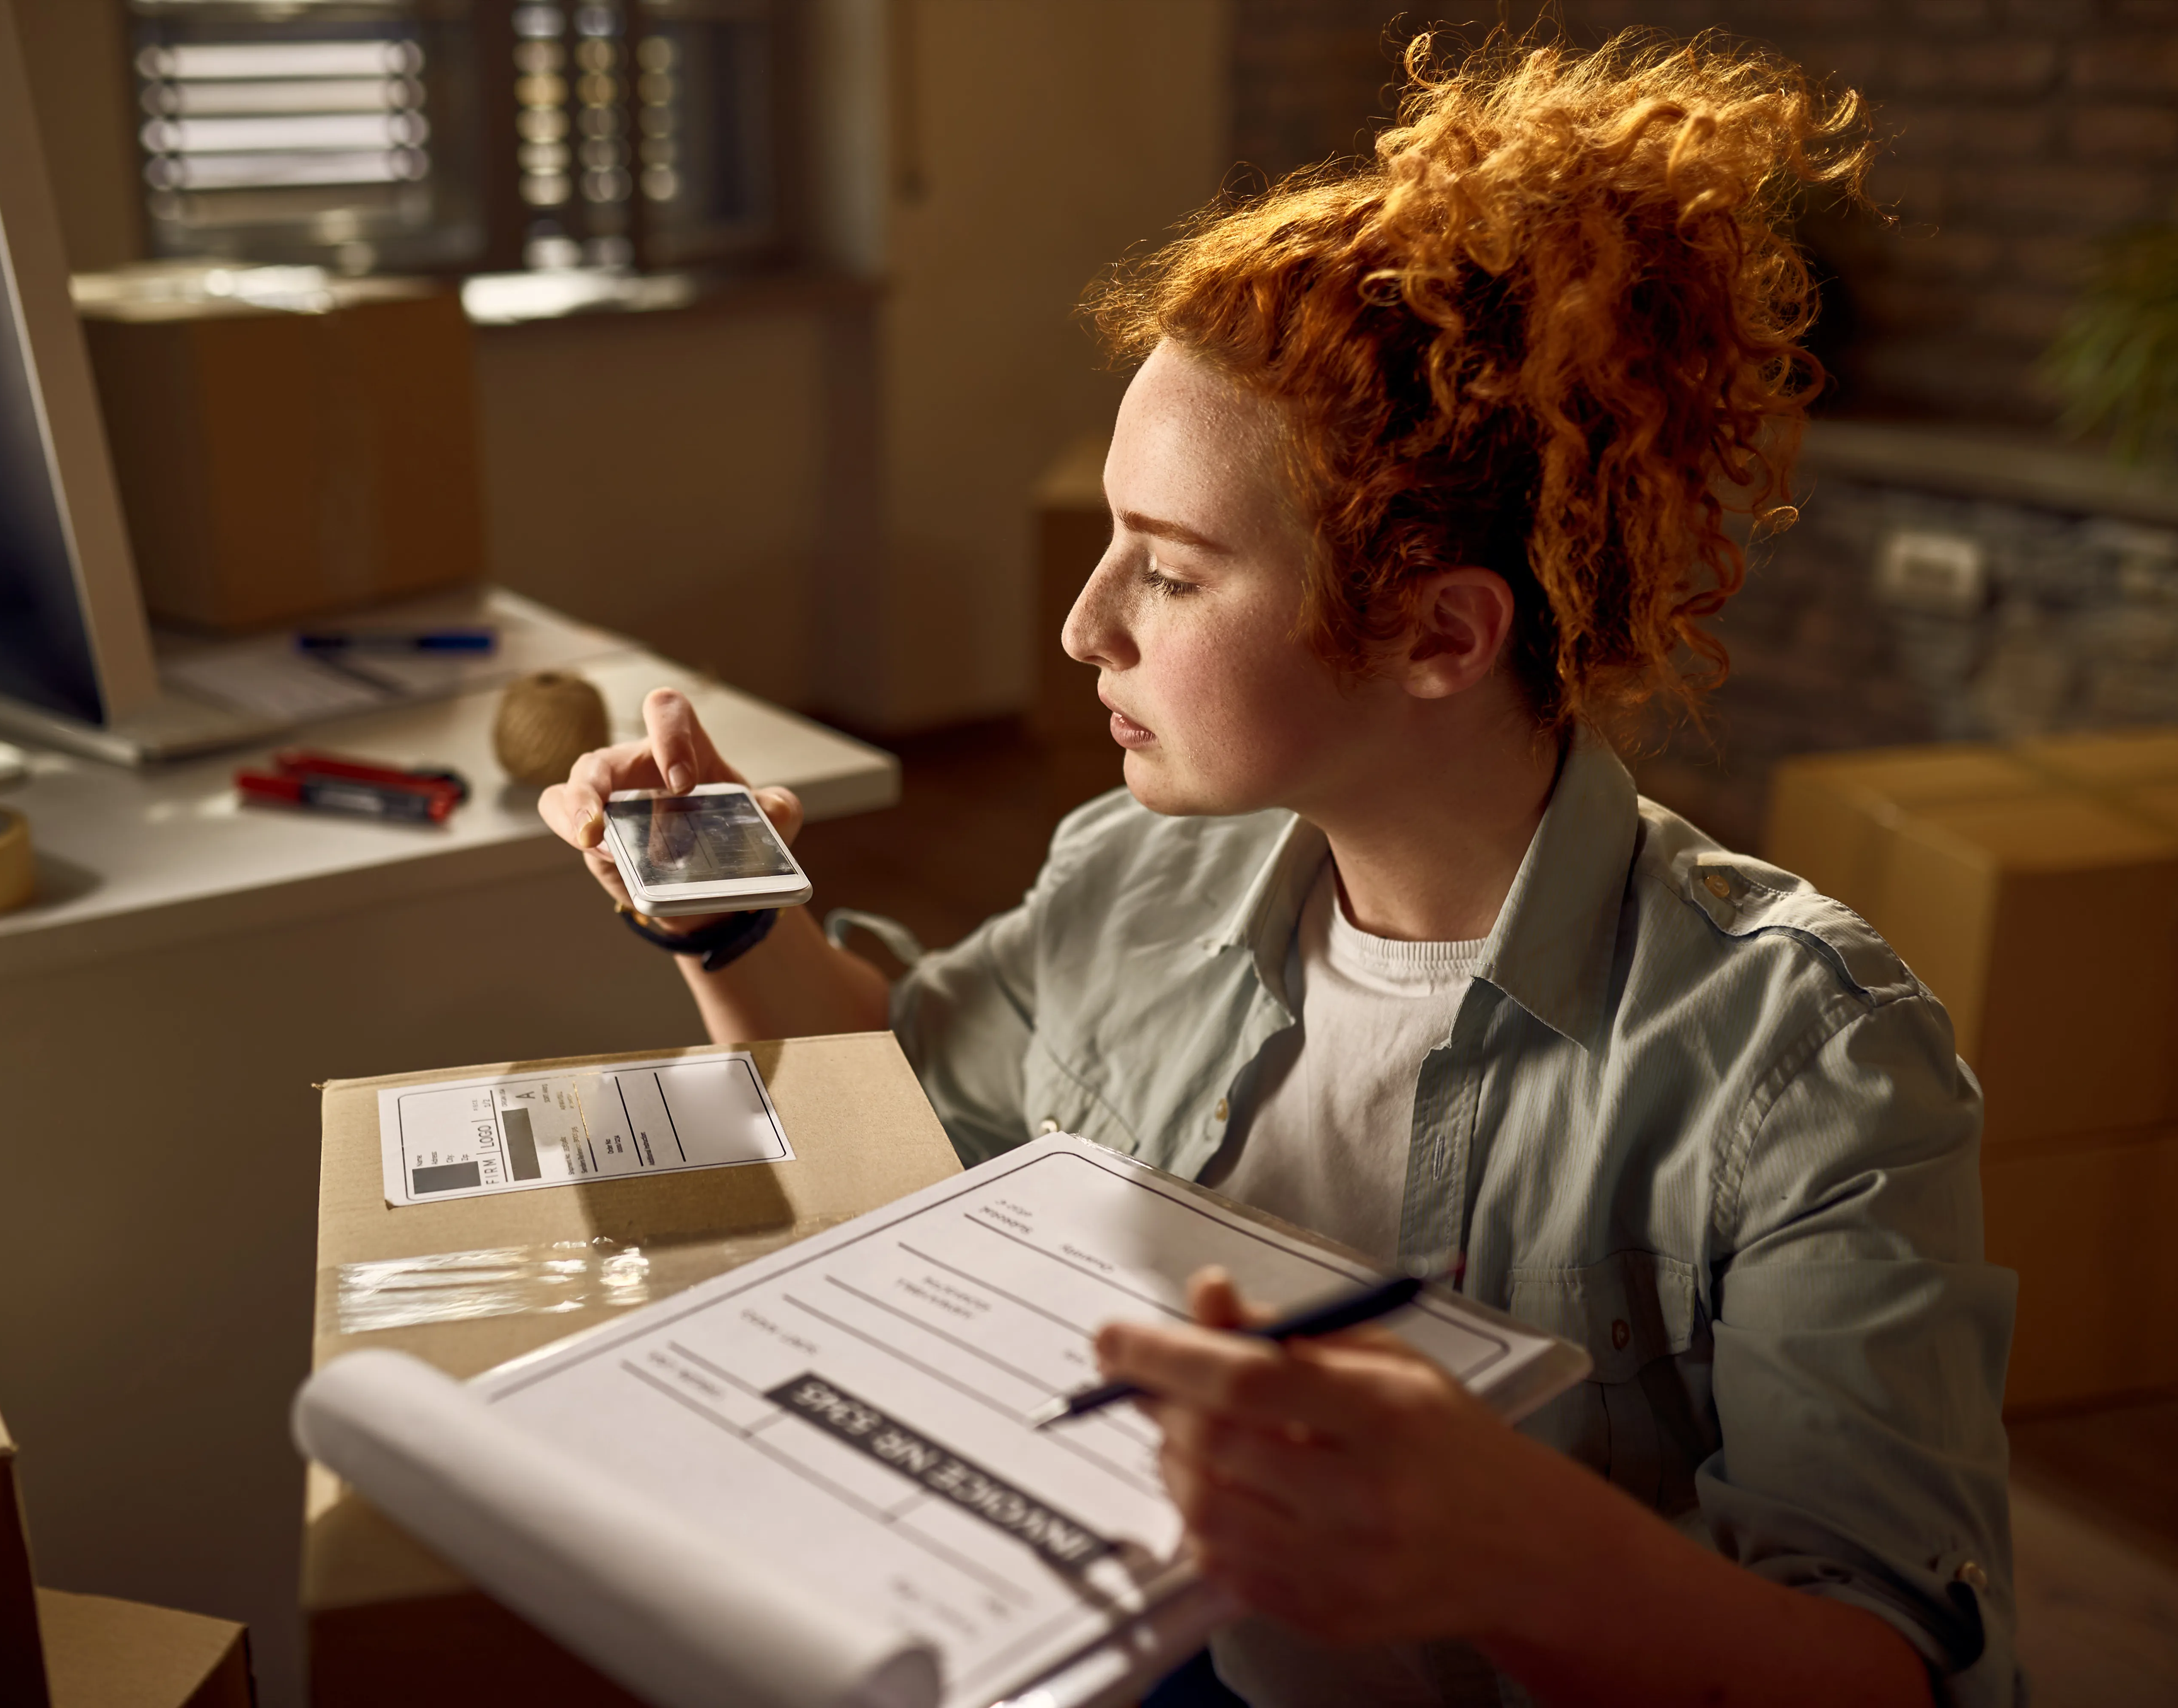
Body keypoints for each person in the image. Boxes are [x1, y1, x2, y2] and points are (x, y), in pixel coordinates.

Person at [541, 29, 2016, 1708]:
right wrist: (726, 915)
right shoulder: (1134, 878)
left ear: (1437, 633)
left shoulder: (1806, 1062)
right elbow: (905, 1110)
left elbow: (1886, 1667)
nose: (1084, 624)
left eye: (1166, 573)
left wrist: (1510, 1545)